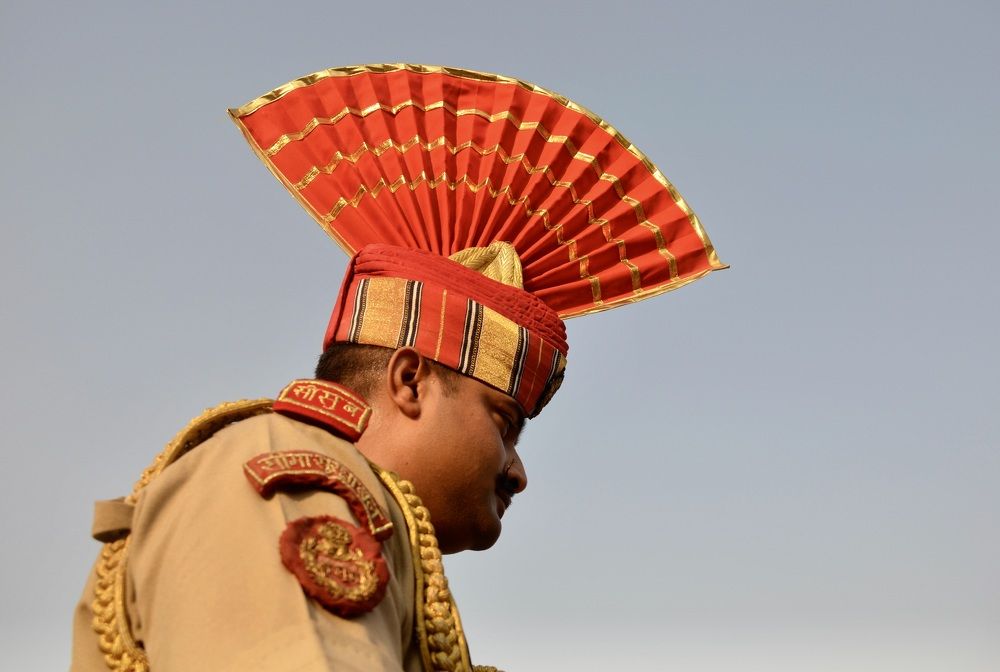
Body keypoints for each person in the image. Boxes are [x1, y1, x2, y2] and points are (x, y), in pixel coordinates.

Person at [71, 64, 725, 672]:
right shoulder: (293, 478)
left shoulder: (370, 522)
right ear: (411, 381)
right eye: (504, 424)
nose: (518, 472)